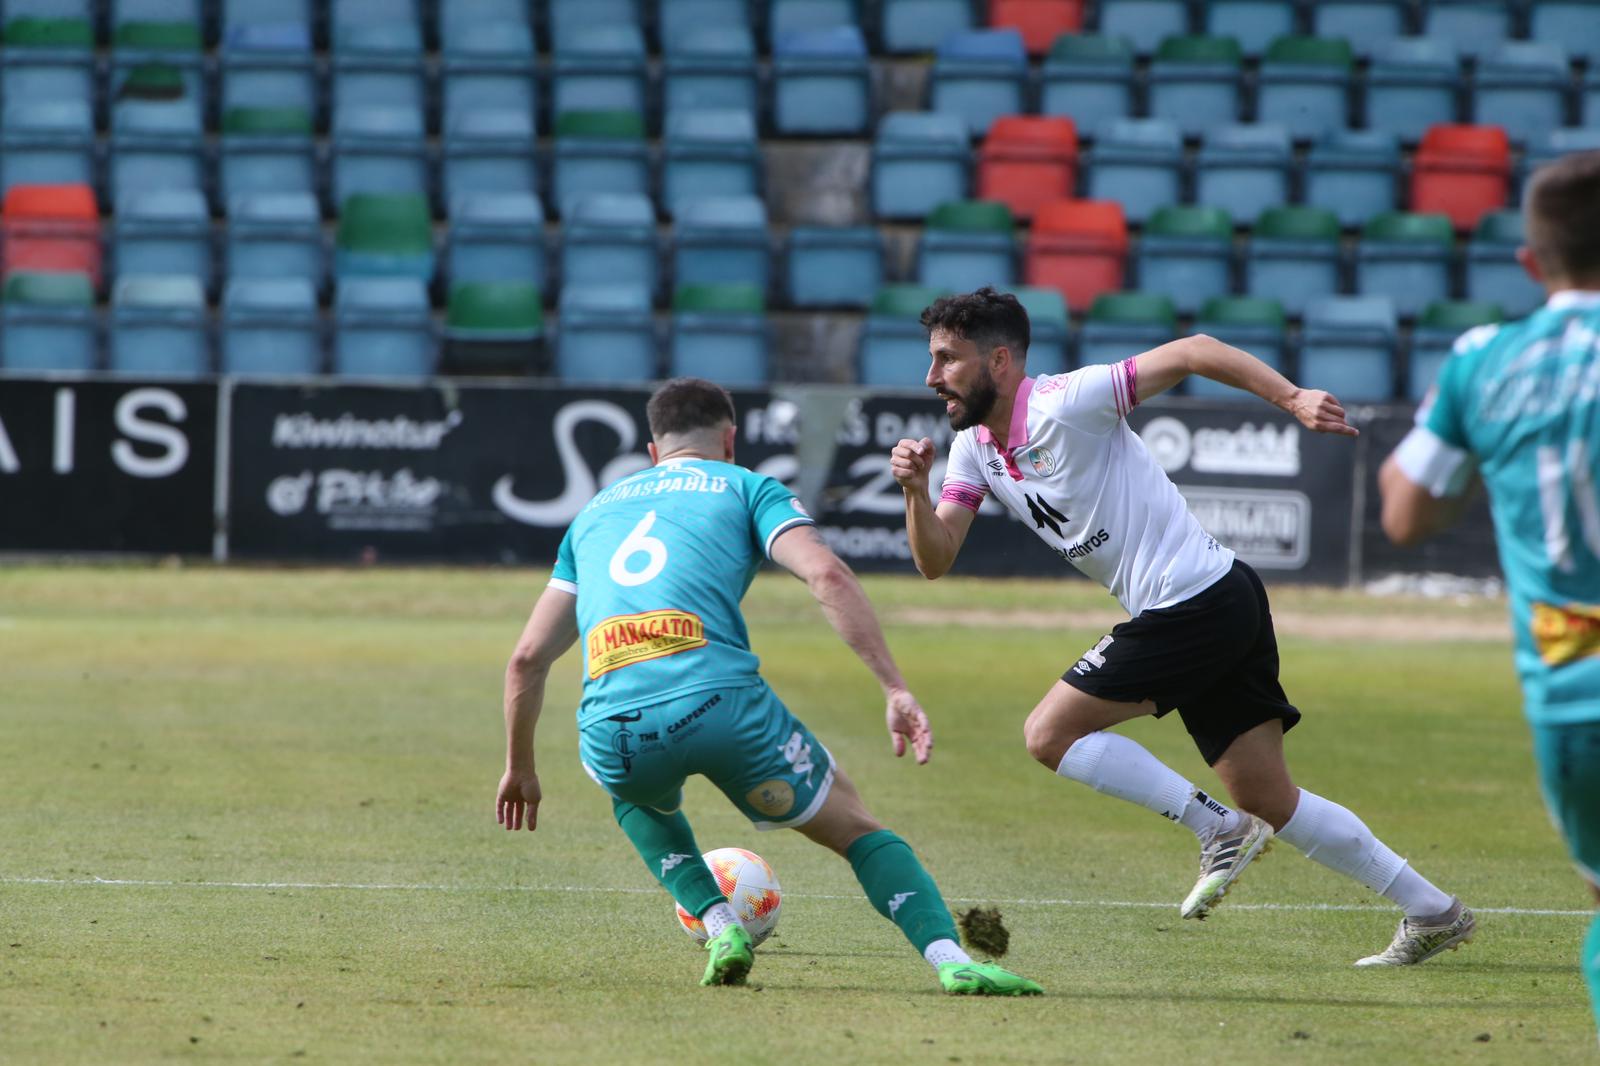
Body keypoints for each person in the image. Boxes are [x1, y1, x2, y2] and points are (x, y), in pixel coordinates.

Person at [889, 287, 1474, 966]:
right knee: (1269, 795)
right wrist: (913, 493)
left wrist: (1291, 398)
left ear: (998, 361)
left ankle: (1218, 830)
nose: (932, 377)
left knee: (1049, 733)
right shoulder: (970, 454)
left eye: (947, 359)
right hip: (1216, 599)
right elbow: (936, 559)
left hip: (1195, 601)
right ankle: (1434, 910)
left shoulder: (1067, 400)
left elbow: (1194, 351)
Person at [495, 376, 1043, 995]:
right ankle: (951, 960)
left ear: (653, 451)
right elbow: (827, 576)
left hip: (613, 723)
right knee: (859, 830)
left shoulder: (592, 514)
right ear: (730, 440)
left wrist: (521, 767)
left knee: (634, 793)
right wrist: (893, 685)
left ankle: (718, 920)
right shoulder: (748, 486)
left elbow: (525, 661)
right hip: (721, 705)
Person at [1379, 151, 1600, 1029]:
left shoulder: (1485, 361)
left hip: (1571, 686)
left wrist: (1491, 441)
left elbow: (1403, 512)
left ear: (1530, 262)